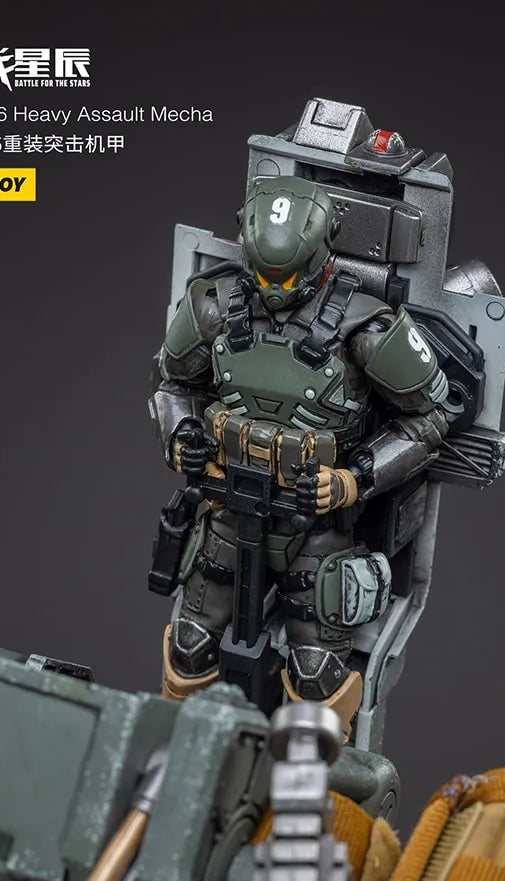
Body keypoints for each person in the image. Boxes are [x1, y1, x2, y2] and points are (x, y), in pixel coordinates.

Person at [150, 175, 452, 738]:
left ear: (319, 258)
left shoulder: (365, 328)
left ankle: (309, 785)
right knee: (188, 647)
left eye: (287, 276)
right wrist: (182, 435)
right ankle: (177, 764)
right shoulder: (213, 306)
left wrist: (354, 478)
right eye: (264, 275)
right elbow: (173, 383)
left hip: (314, 530)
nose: (274, 289)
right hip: (227, 513)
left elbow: (431, 417)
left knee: (316, 678)